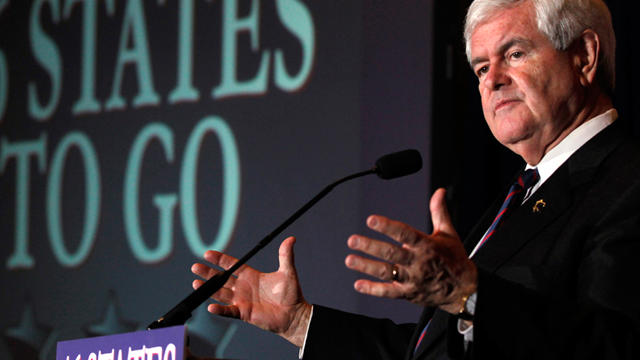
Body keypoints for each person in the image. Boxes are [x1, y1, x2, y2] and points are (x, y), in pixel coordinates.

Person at [191, 0, 640, 358]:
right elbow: (431, 351)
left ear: (584, 56)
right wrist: (298, 322)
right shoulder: (523, 197)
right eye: (482, 68)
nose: (492, 81)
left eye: (515, 53)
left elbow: (615, 344)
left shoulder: (626, 181)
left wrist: (470, 294)